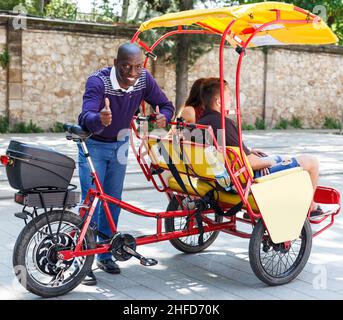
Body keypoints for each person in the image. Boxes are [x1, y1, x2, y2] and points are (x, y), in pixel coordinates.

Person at [78, 43, 174, 285]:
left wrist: (165, 116)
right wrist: (98, 119)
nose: (132, 73)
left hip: (120, 144)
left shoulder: (143, 79)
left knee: (112, 201)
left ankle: (105, 253)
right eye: (126, 67)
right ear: (115, 63)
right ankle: (82, 260)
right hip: (94, 145)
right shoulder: (98, 82)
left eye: (138, 67)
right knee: (90, 203)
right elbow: (84, 116)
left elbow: (166, 104)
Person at [197, 78, 321, 215]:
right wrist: (268, 161)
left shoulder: (198, 125)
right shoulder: (223, 124)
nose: (231, 100)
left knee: (281, 157)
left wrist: (248, 151)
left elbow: (223, 149)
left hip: (216, 181)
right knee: (311, 162)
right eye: (228, 96)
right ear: (219, 101)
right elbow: (249, 163)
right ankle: (311, 206)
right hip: (242, 182)